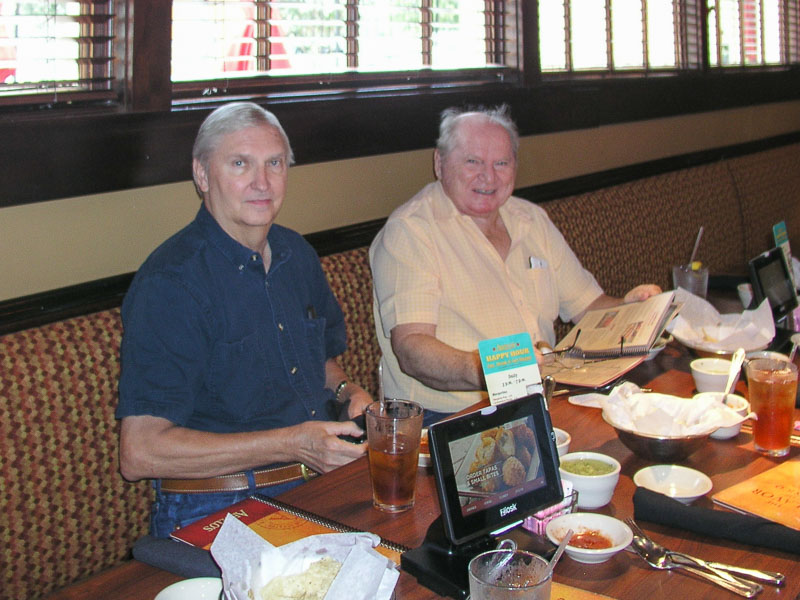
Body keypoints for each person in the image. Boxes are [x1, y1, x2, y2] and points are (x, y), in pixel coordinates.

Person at [116, 102, 370, 573]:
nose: (262, 182)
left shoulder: (297, 253)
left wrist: (346, 391)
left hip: (317, 484)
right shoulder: (171, 284)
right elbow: (140, 451)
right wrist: (293, 443)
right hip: (219, 506)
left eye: (274, 163)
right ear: (202, 174)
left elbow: (323, 361)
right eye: (240, 164)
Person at [370, 105, 660, 424]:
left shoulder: (531, 219)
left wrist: (633, 309)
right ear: (439, 163)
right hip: (450, 419)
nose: (489, 176)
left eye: (501, 163)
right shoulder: (411, 232)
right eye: (473, 161)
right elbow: (412, 349)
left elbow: (589, 307)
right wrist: (484, 369)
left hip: (543, 397)